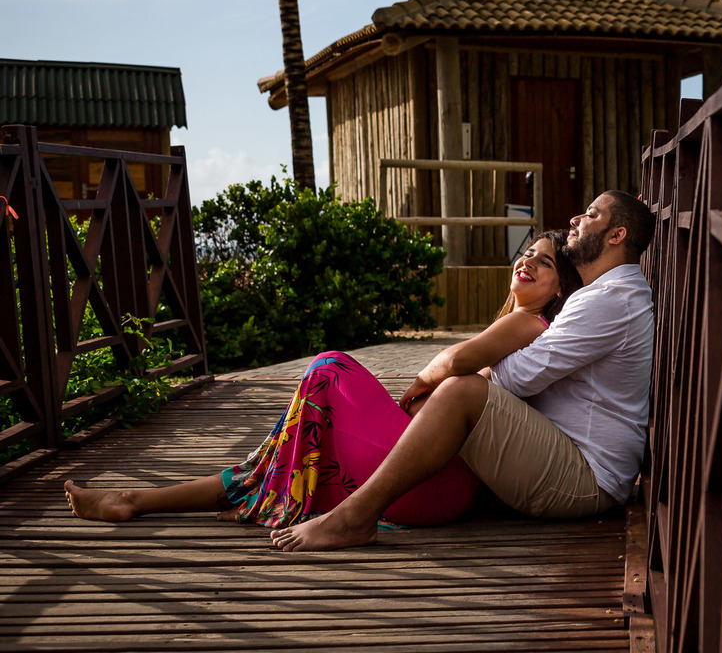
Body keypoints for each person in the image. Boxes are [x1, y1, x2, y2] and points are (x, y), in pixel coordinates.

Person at [63, 230, 583, 529]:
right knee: (288, 454)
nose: (530, 263)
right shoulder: (514, 322)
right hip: (432, 482)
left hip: (435, 481)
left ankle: (139, 500)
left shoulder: (530, 322)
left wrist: (417, 382)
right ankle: (132, 500)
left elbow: (450, 364)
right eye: (528, 253)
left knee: (329, 368)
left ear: (560, 289)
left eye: (547, 263)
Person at [268, 190, 656, 551]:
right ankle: (310, 496)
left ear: (616, 235)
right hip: (575, 460)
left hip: (589, 478)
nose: (576, 219)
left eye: (591, 215)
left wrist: (444, 377)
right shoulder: (605, 294)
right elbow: (518, 373)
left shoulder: (610, 300)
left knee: (461, 391)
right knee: (457, 390)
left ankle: (354, 518)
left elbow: (517, 377)